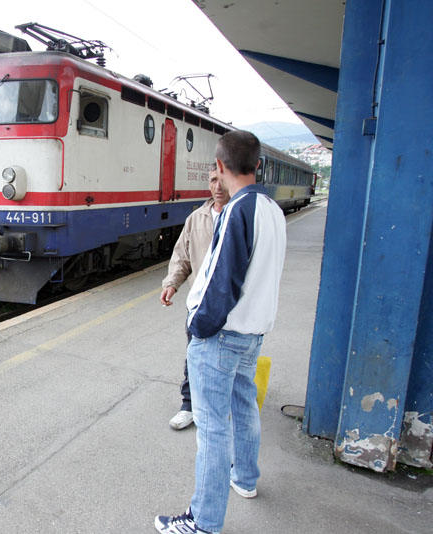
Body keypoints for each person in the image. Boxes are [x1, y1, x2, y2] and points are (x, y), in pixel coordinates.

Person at [154, 131, 286, 534]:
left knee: (211, 429)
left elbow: (219, 281)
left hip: (222, 335)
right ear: (258, 165)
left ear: (221, 167)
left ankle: (203, 521)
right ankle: (245, 479)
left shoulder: (236, 211)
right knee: (245, 408)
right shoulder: (271, 209)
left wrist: (199, 326)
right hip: (253, 333)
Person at [160, 163, 230, 430]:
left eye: (221, 180)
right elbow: (182, 256)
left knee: (227, 357)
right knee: (195, 354)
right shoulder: (197, 217)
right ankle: (188, 405)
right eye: (212, 180)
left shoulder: (239, 215)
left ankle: (222, 407)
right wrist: (171, 284)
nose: (217, 186)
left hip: (232, 305)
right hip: (200, 303)